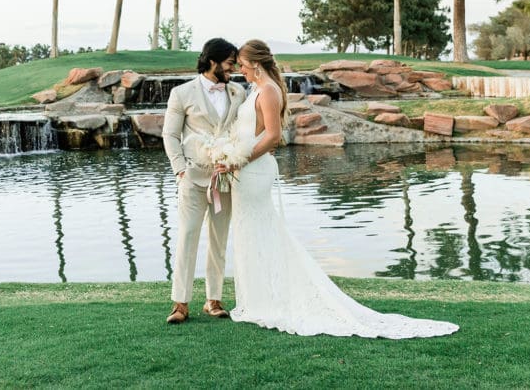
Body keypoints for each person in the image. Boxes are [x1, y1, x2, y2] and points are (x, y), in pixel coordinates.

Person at [224, 39, 459, 339]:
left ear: (255, 64)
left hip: (253, 171)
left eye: (242, 65)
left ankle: (269, 300)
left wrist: (238, 160)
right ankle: (258, 298)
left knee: (259, 231)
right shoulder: (256, 89)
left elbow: (272, 136)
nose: (240, 70)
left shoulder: (268, 90)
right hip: (245, 170)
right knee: (250, 233)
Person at [161, 38, 247, 324]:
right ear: (213, 61)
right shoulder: (181, 93)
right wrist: (180, 170)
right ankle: (180, 303)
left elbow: (242, 131)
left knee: (219, 241)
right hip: (193, 179)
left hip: (225, 180)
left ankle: (214, 300)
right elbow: (170, 135)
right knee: (187, 237)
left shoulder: (238, 93)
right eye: (230, 63)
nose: (233, 69)